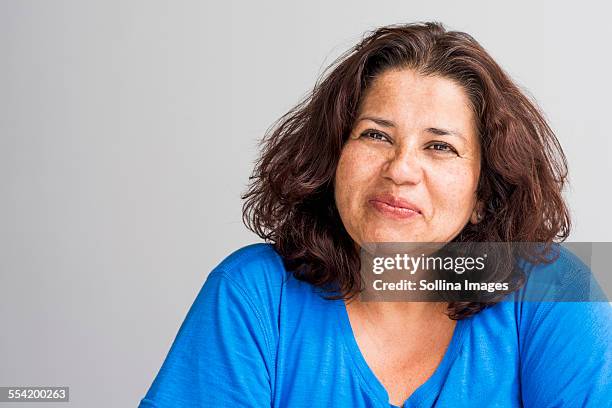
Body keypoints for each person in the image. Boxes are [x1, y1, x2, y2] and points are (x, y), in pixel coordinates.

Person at [139, 22, 611, 407]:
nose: (401, 169)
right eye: (375, 135)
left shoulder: (553, 295)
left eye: (440, 146)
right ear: (332, 157)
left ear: (482, 194)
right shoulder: (255, 295)